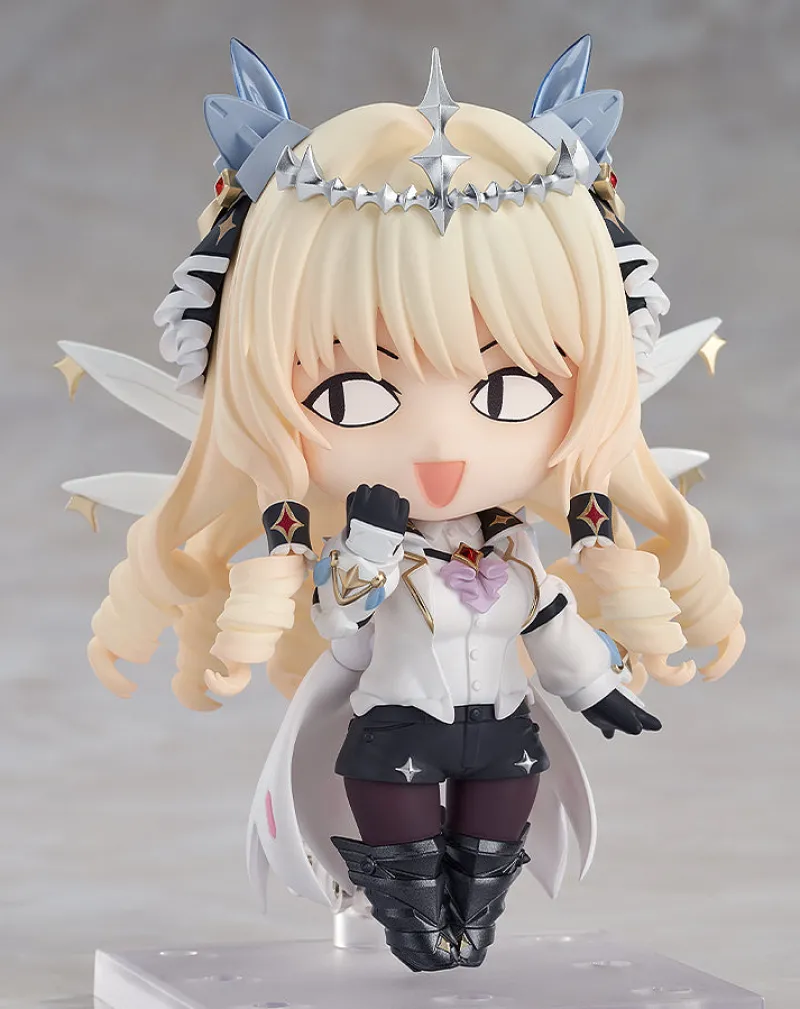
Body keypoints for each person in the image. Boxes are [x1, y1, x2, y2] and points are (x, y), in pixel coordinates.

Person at [75, 37, 744, 973]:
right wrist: (369, 546)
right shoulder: (373, 546)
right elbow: (339, 615)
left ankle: (468, 926)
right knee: (412, 881)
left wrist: (595, 688)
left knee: (486, 868)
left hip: (502, 730)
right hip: (395, 729)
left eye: (509, 391)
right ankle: (411, 922)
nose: (441, 447)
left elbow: (551, 622)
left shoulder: (517, 550)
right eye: (351, 394)